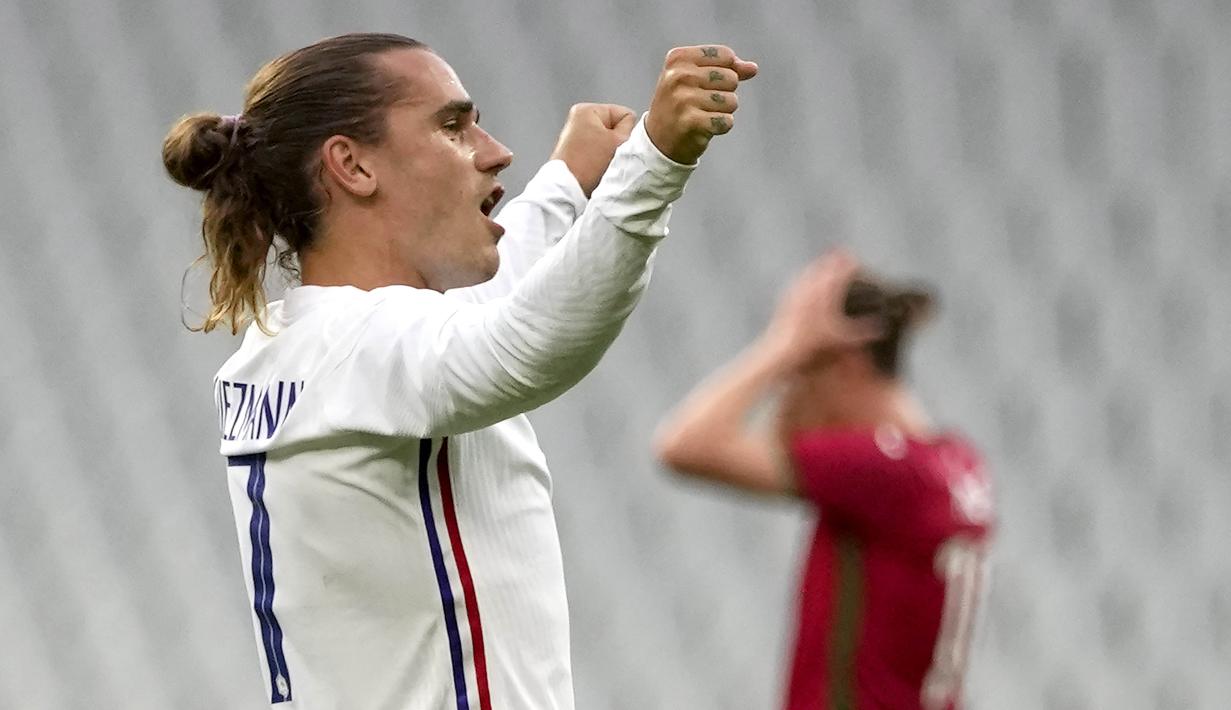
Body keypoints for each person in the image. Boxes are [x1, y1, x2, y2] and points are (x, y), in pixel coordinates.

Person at [161, 32, 756, 710]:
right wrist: (653, 162)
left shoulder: (299, 343)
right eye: (452, 126)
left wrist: (564, 184)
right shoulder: (365, 347)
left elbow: (484, 315)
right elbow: (527, 338)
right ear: (353, 166)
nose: (495, 150)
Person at [655, 252, 994, 710]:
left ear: (845, 363)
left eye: (799, 376)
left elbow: (683, 447)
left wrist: (779, 350)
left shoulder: (879, 470)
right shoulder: (957, 463)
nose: (787, 397)